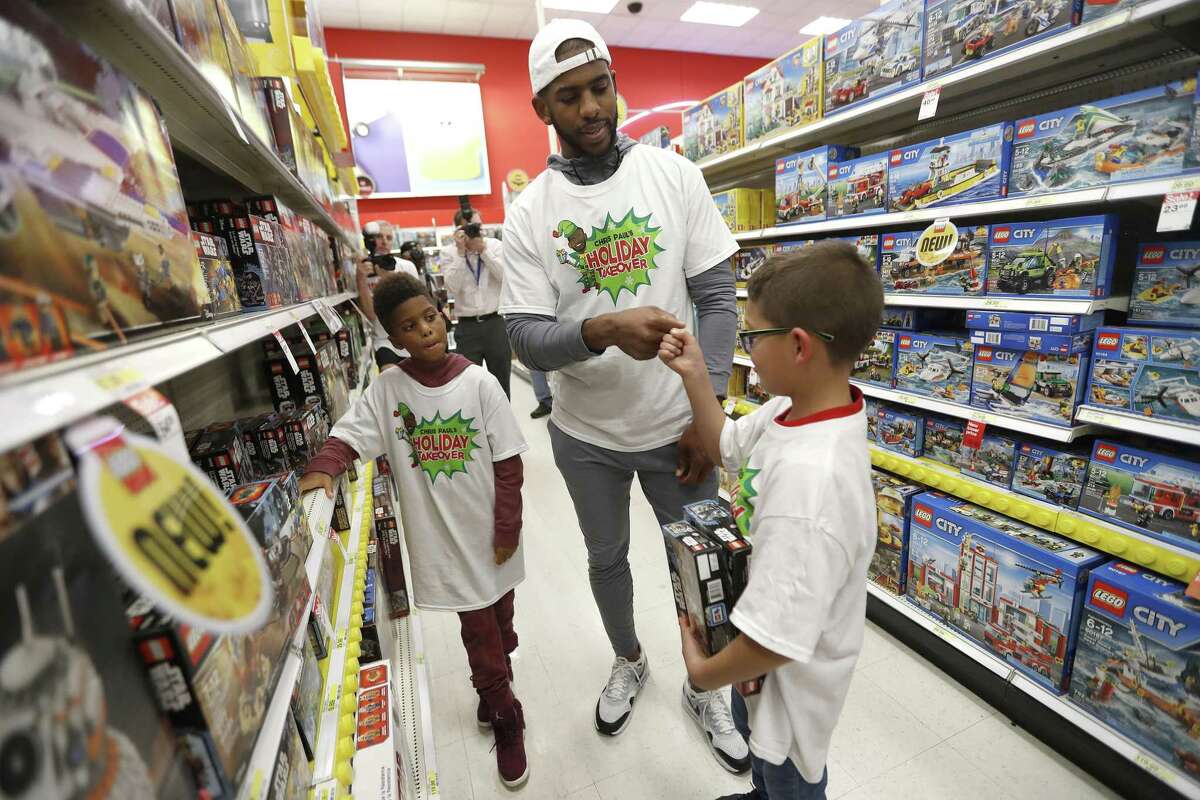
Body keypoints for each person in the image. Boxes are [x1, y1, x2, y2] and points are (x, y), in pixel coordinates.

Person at [499, 18, 746, 771]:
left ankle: (710, 689)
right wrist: (601, 328)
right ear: (543, 110)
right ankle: (631, 659)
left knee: (706, 565)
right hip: (585, 435)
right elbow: (525, 339)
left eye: (600, 87)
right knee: (606, 559)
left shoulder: (674, 176)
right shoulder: (530, 214)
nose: (592, 108)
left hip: (678, 428)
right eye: (569, 97)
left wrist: (707, 415)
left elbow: (719, 300)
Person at [657, 241, 884, 800]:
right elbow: (725, 447)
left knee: (786, 776)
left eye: (752, 336)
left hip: (789, 693)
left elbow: (778, 640)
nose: (748, 348)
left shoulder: (811, 485)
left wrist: (702, 673)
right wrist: (692, 375)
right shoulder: (793, 409)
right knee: (763, 760)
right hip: (760, 663)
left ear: (800, 345)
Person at [299, 273, 531, 787]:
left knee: (502, 619)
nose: (425, 330)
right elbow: (350, 435)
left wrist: (508, 527)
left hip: (494, 532)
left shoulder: (479, 382)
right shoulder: (390, 391)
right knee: (479, 632)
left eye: (430, 317)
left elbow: (509, 461)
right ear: (394, 337)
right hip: (443, 542)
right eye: (410, 325)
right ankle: (505, 713)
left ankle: (495, 684)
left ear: (444, 314)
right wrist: (326, 465)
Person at [442, 209, 511, 397]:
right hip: (467, 327)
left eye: (478, 226)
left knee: (502, 379)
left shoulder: (494, 246)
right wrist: (460, 253)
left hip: (495, 323)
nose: (475, 231)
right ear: (458, 230)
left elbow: (506, 277)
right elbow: (452, 287)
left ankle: (503, 423)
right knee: (468, 383)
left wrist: (483, 251)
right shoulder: (449, 253)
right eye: (470, 227)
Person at [360, 222, 422, 369]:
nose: (384, 241)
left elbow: (416, 305)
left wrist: (387, 278)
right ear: (370, 240)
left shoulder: (406, 266)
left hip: (412, 337)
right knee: (391, 383)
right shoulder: (364, 269)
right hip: (384, 340)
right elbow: (371, 315)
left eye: (388, 237)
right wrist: (360, 278)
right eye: (379, 237)